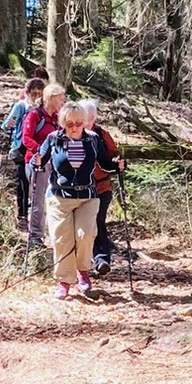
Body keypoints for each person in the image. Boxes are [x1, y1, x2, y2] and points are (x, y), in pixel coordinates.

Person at [41, 102, 119, 299]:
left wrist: (117, 166)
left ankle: (82, 272)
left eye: (78, 123)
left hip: (87, 197)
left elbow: (105, 164)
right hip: (59, 197)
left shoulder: (93, 139)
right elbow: (40, 161)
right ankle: (64, 282)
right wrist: (36, 162)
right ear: (62, 123)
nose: (74, 127)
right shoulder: (53, 139)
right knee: (62, 240)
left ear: (84, 122)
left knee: (85, 235)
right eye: (69, 124)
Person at [80, 99, 125, 275]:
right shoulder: (72, 134)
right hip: (79, 189)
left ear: (94, 118)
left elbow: (115, 155)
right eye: (84, 118)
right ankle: (83, 263)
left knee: (98, 221)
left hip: (101, 187)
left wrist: (118, 162)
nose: (87, 122)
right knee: (83, 226)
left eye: (90, 118)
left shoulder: (102, 135)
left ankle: (101, 260)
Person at [20, 81, 66, 250]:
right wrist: (42, 151)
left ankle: (55, 235)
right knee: (38, 200)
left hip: (54, 164)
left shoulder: (57, 118)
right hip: (37, 163)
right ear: (51, 98)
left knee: (54, 200)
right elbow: (26, 138)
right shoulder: (35, 115)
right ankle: (35, 237)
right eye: (60, 99)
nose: (62, 102)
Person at [0, 75, 47, 233]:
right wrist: (10, 124)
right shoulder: (21, 106)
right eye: (34, 93)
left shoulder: (43, 109)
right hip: (21, 149)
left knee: (38, 184)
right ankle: (22, 216)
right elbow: (5, 126)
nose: (36, 97)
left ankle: (36, 218)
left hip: (37, 150)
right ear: (27, 93)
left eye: (40, 94)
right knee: (23, 182)